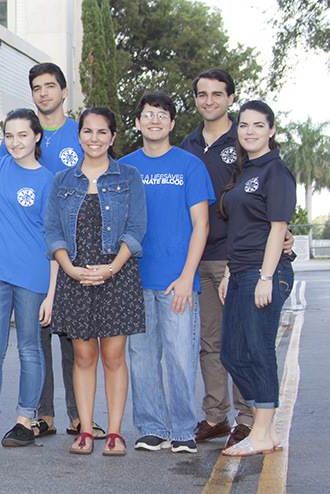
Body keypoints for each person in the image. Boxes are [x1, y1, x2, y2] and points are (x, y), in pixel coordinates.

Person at [180, 69, 293, 448]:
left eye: (217, 93)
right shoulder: (192, 146)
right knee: (219, 346)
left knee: (252, 347)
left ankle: (253, 423)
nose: (209, 100)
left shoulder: (260, 157)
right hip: (215, 261)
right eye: (201, 93)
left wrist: (270, 263)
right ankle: (221, 417)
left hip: (252, 267)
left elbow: (273, 220)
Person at [0, 62, 94, 439]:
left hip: (75, 248)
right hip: (34, 253)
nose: (43, 93)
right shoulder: (24, 135)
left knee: (73, 336)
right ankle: (44, 414)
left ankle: (78, 414)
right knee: (37, 335)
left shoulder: (79, 133)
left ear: (64, 92)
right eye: (37, 87)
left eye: (50, 86)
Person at [45, 106, 147, 455]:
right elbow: (53, 232)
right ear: (79, 136)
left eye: (102, 132)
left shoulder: (129, 176)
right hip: (75, 278)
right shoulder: (62, 181)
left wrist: (111, 267)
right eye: (88, 131)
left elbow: (136, 230)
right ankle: (86, 431)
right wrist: (70, 270)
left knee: (114, 357)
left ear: (113, 137)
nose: (94, 139)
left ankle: (116, 433)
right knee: (83, 356)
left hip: (116, 276)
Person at [122, 92, 215, 454]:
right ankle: (151, 427)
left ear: (173, 123)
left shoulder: (190, 165)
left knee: (180, 357)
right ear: (138, 123)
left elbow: (201, 224)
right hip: (136, 280)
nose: (155, 120)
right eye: (148, 115)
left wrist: (187, 276)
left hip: (178, 282)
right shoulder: (126, 167)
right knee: (142, 357)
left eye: (162, 115)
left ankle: (182, 429)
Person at [0, 109, 53, 448]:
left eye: (22, 135)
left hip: (33, 275)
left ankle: (24, 420)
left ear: (37, 137)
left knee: (30, 348)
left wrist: (52, 292)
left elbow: (54, 238)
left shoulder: (48, 180)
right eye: (9, 135)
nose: (15, 142)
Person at [218, 100, 296, 456]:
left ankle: (263, 431)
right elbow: (242, 229)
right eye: (244, 125)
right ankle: (263, 424)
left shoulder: (275, 171)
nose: (249, 131)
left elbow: (278, 228)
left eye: (257, 125)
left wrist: (266, 276)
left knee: (259, 350)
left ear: (272, 130)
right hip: (240, 272)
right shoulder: (245, 171)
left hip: (264, 272)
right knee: (232, 353)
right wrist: (230, 272)